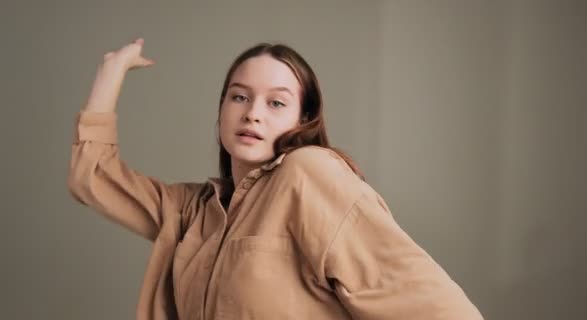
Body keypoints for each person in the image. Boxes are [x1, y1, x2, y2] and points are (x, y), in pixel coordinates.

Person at [68, 38, 483, 320]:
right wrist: (112, 71)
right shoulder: (190, 211)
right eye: (239, 96)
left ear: (303, 119)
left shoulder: (309, 174)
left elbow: (435, 306)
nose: (253, 113)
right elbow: (93, 178)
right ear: (222, 110)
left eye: (276, 102)